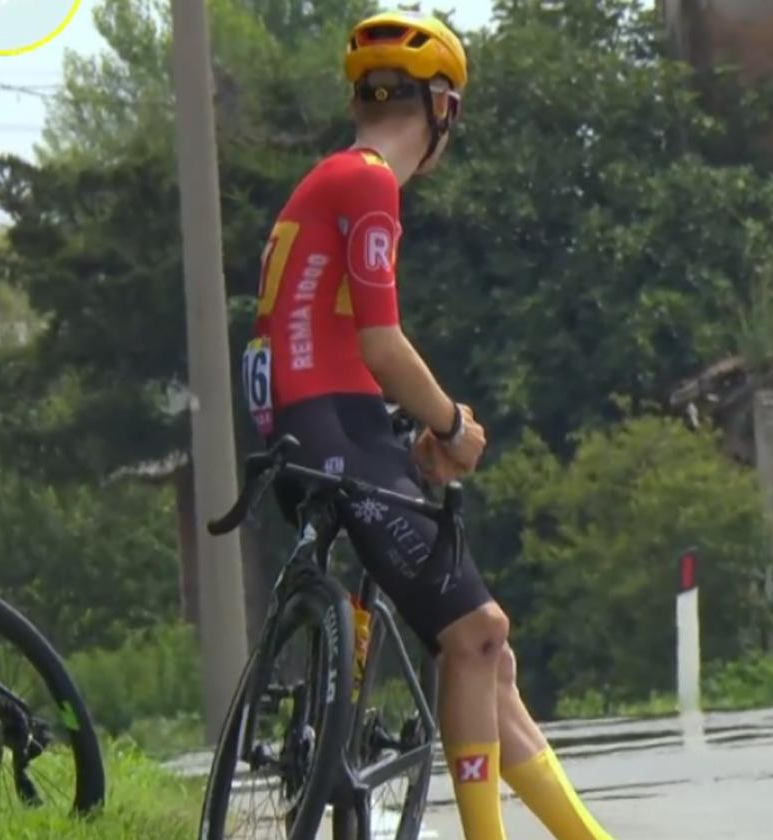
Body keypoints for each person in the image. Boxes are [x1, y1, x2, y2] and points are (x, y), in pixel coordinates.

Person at [243, 9, 617, 840]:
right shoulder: (371, 182)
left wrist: (403, 436)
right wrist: (452, 426)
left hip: (315, 422)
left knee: (492, 662)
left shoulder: (331, 176)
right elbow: (380, 342)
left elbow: (328, 338)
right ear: (443, 108)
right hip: (331, 424)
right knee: (477, 632)